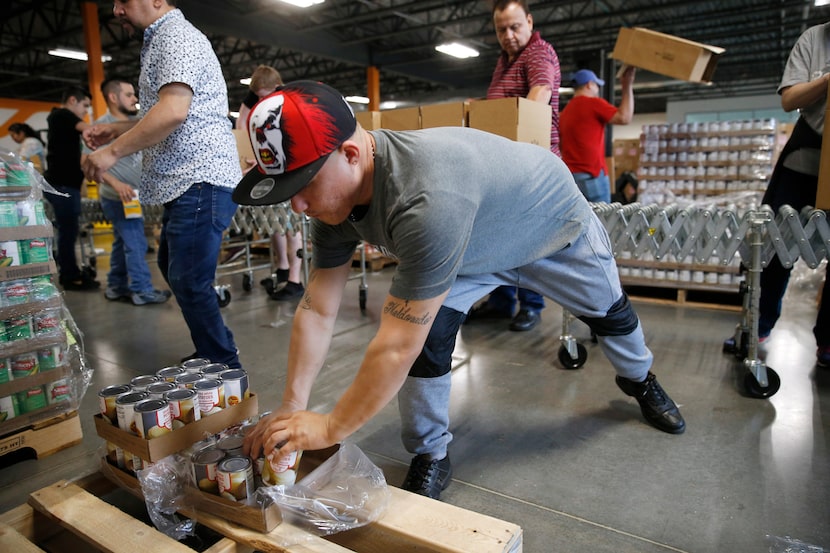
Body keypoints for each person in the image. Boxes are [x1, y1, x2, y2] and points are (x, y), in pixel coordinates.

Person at [239, 81, 686, 503]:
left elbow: (393, 346)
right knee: (430, 339)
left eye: (303, 185)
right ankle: (430, 451)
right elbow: (317, 309)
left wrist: (331, 426)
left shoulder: (426, 198)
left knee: (611, 316)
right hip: (472, 247)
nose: (296, 205)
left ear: (351, 154)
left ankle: (640, 380)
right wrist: (293, 410)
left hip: (550, 228)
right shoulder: (335, 203)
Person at [82, 0, 242, 368]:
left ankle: (223, 361)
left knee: (188, 278)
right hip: (186, 181)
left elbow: (173, 111)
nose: (117, 10)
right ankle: (212, 353)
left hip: (199, 178)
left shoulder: (176, 36)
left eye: (124, 1)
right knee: (177, 269)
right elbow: (169, 111)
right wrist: (117, 129)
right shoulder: (160, 40)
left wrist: (111, 153)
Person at [724, 21, 830, 366]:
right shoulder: (814, 39)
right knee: (774, 245)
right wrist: (828, 80)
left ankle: (828, 340)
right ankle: (757, 325)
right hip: (806, 154)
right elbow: (790, 99)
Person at [466, 0, 561, 332]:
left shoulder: (538, 53)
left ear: (530, 23)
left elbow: (539, 97)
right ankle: (502, 301)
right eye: (501, 29)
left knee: (526, 238)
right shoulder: (505, 61)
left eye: (515, 27)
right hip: (504, 162)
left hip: (531, 163)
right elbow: (500, 106)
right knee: (499, 236)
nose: (508, 35)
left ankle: (531, 304)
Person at [82, 77, 171, 306]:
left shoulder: (137, 124)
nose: (135, 99)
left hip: (136, 197)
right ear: (113, 97)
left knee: (123, 243)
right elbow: (87, 163)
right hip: (118, 197)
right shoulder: (100, 128)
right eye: (129, 94)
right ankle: (142, 289)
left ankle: (116, 285)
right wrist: (116, 183)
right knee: (136, 243)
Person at [236, 65, 304, 301]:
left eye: (263, 96)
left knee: (291, 225)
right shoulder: (258, 102)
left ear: (276, 88)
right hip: (267, 169)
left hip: (288, 171)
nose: (260, 102)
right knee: (273, 223)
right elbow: (242, 124)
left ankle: (296, 280)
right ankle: (283, 269)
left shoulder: (288, 103)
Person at [44, 86, 100, 291]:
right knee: (68, 232)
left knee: (68, 231)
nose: (86, 110)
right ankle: (70, 275)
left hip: (65, 185)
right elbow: (87, 128)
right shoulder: (61, 115)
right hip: (63, 185)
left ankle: (70, 271)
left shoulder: (62, 119)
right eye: (84, 105)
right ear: (72, 101)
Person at [559, 67, 636, 203]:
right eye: (596, 86)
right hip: (592, 175)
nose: (597, 90)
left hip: (572, 177)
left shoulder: (566, 111)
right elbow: (624, 118)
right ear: (590, 85)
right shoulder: (592, 103)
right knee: (602, 219)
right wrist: (627, 85)